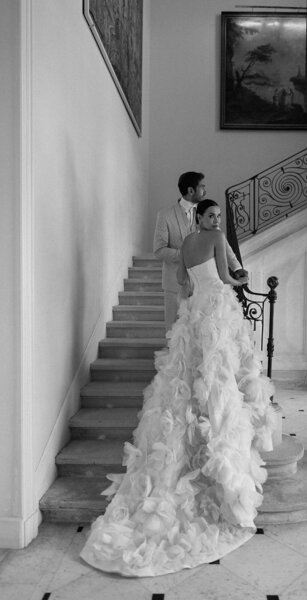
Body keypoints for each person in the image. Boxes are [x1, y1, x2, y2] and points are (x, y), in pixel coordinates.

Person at [80, 199, 277, 577]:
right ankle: (218, 446)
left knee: (187, 379)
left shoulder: (186, 243)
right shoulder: (217, 237)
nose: (217, 220)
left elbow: (183, 284)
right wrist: (241, 279)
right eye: (212, 215)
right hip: (216, 309)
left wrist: (200, 294)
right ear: (202, 217)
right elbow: (224, 276)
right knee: (220, 376)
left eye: (218, 216)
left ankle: (193, 440)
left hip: (193, 314)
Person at [153, 171, 248, 331]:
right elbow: (159, 250)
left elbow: (222, 243)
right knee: (175, 333)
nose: (205, 191)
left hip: (205, 289)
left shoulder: (206, 213)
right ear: (191, 190)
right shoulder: (165, 215)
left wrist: (237, 268)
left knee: (202, 334)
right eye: (202, 187)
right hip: (175, 283)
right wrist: (186, 255)